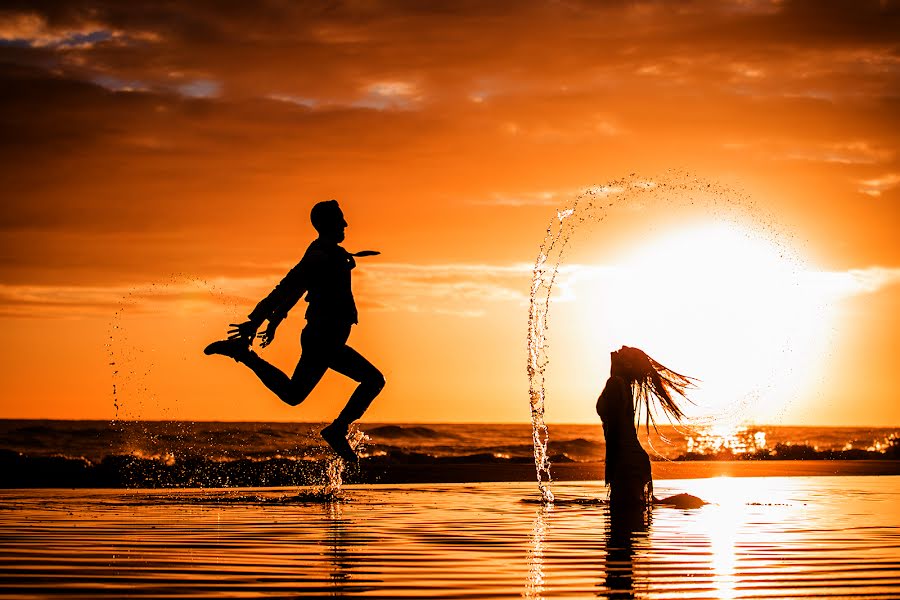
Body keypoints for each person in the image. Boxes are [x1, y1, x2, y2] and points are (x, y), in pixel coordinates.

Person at [204, 199, 385, 463]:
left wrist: (273, 322)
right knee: (373, 380)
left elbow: (297, 292)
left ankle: (244, 355)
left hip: (326, 338)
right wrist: (257, 321)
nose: (346, 224)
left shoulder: (331, 253)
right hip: (323, 338)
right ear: (326, 224)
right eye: (340, 220)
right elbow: (289, 288)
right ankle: (338, 429)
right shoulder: (319, 255)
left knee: (293, 394)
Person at [596, 346, 695, 511]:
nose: (619, 349)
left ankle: (686, 502)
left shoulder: (616, 383)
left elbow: (614, 432)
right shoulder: (620, 383)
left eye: (625, 351)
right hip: (631, 459)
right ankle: (685, 501)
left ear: (627, 364)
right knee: (635, 512)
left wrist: (611, 468)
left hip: (626, 460)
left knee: (627, 514)